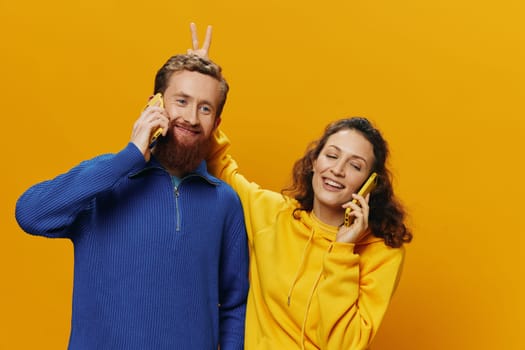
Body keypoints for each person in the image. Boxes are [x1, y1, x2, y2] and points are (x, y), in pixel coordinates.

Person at [189, 25, 413, 350]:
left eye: (355, 165)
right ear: (314, 161)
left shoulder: (382, 253)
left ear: (370, 184)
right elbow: (219, 163)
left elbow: (344, 344)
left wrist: (342, 250)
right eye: (331, 155)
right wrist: (198, 81)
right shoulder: (273, 215)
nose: (337, 170)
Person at [15, 40, 249, 348]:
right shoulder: (107, 179)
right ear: (154, 104)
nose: (192, 118)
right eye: (181, 101)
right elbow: (30, 214)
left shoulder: (225, 202)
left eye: (205, 108)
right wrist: (129, 157)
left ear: (216, 123)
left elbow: (234, 305)